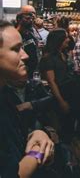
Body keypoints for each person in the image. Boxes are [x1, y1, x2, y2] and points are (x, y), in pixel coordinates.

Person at [0, 20, 55, 177]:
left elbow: (23, 126)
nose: (25, 55)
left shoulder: (7, 95)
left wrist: (38, 133)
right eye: (16, 49)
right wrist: (36, 153)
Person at [39, 29, 77, 143]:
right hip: (59, 94)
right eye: (65, 37)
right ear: (58, 40)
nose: (68, 40)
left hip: (70, 92)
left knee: (69, 125)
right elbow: (52, 82)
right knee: (61, 127)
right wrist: (61, 101)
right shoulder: (49, 58)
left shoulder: (64, 53)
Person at [16, 7, 41, 78]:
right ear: (19, 19)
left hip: (33, 71)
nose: (30, 20)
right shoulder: (15, 34)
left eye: (32, 18)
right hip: (20, 70)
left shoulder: (31, 32)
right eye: (27, 18)